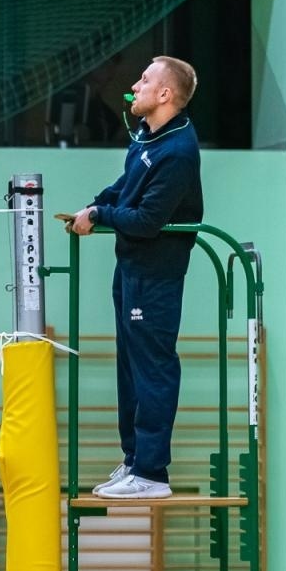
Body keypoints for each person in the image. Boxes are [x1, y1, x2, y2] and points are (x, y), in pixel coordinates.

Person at [66, 56, 203, 501]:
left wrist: (101, 215)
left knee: (152, 370)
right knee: (128, 368)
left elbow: (146, 219)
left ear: (165, 94)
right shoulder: (147, 135)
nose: (135, 85)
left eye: (144, 80)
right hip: (130, 269)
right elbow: (128, 186)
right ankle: (134, 459)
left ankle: (152, 473)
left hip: (155, 277)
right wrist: (95, 205)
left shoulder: (178, 152)